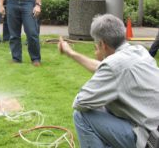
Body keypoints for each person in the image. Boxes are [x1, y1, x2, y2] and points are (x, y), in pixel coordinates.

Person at [58, 14, 159, 148]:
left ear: (102, 44)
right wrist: (70, 52)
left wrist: (101, 92)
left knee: (82, 115)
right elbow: (108, 68)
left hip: (149, 139)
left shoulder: (113, 65)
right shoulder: (139, 51)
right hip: (154, 128)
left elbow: (80, 102)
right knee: (105, 106)